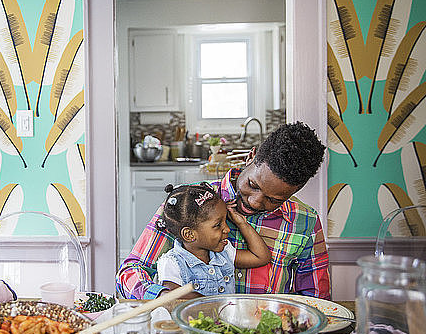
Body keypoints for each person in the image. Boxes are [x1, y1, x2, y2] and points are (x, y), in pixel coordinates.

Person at [116, 121, 330, 300]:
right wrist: (164, 295)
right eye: (253, 185)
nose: (255, 202)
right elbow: (129, 273)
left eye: (274, 200)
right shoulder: (188, 204)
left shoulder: (306, 222)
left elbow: (318, 300)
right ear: (251, 156)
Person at [156, 182, 271, 298]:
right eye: (217, 225)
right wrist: (205, 303)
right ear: (189, 234)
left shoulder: (223, 252)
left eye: (226, 220)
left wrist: (241, 224)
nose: (227, 229)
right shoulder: (172, 262)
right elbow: (170, 298)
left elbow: (261, 257)